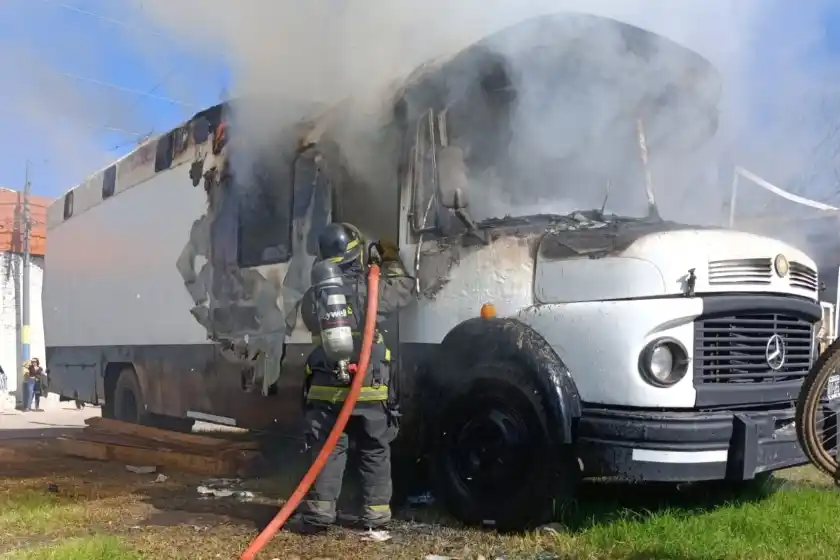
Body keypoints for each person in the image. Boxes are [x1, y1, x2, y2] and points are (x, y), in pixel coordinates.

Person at [297, 222, 415, 532]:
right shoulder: (371, 287)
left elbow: (309, 319)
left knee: (328, 448)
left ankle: (320, 513)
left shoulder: (315, 296)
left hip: (326, 388)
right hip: (369, 386)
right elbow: (404, 290)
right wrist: (390, 260)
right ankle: (376, 514)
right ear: (355, 253)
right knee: (374, 448)